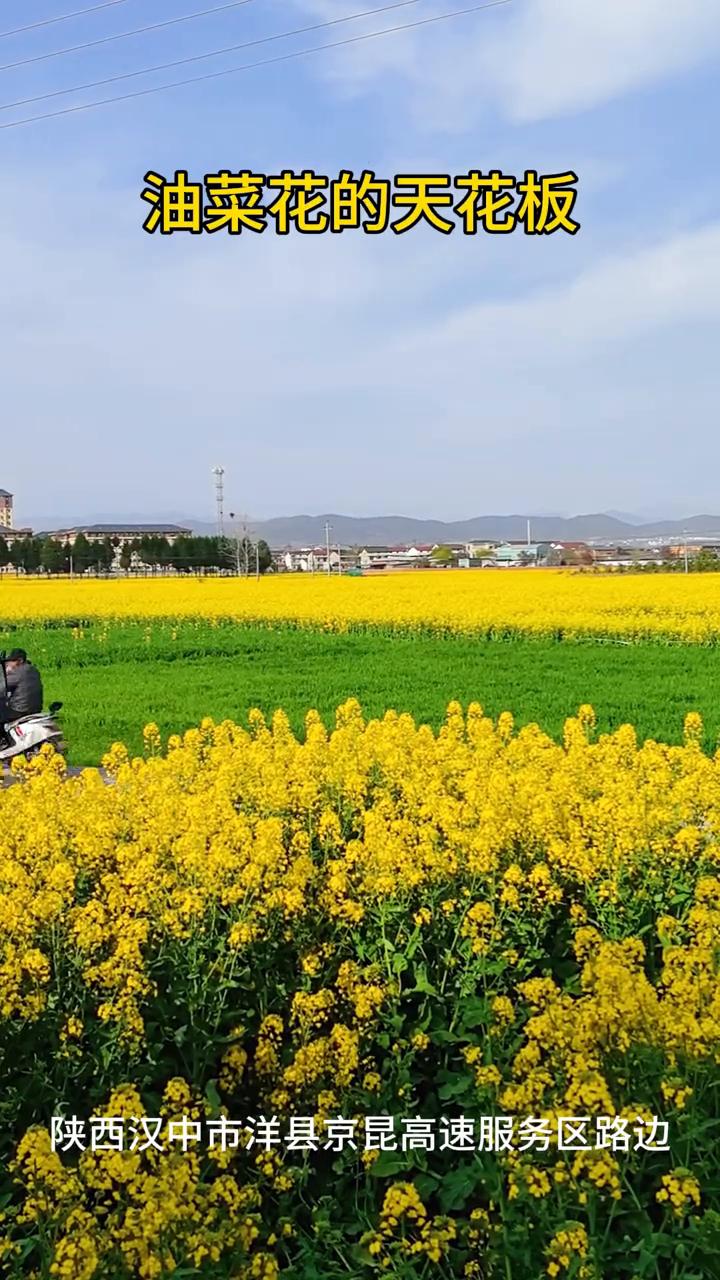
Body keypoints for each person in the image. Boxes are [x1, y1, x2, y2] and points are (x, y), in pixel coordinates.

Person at [0, 649, 44, 723]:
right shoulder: (34, 670)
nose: (8, 665)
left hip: (19, 711)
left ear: (20, 660)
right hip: (36, 709)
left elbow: (2, 687)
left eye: (10, 662)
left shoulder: (19, 672)